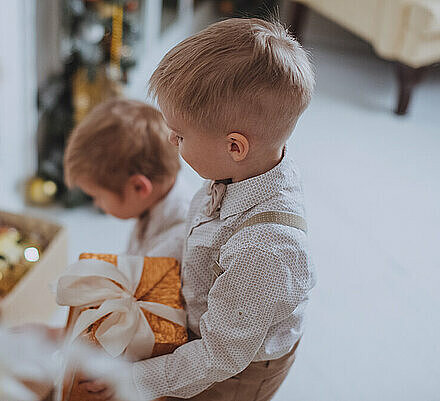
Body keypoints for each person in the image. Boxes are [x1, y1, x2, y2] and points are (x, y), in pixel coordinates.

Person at [82, 18, 317, 401]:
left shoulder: (266, 253)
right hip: (217, 320)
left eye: (180, 135)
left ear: (235, 147)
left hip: (236, 370)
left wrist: (133, 381)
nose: (170, 140)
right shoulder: (241, 170)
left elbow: (218, 356)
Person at [64, 98, 192, 261]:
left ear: (139, 187)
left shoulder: (174, 247)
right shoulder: (157, 196)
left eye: (98, 197)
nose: (97, 204)